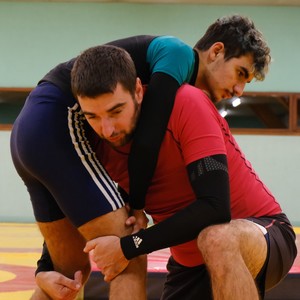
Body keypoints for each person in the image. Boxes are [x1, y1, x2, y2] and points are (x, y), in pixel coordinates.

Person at [10, 15, 274, 299]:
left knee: (65, 275)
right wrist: (136, 208)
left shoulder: (99, 124)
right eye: (241, 73)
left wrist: (42, 266)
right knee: (126, 253)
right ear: (217, 51)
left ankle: (47, 269)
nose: (239, 90)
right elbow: (149, 138)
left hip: (28, 130)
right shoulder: (178, 54)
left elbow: (72, 193)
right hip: (56, 122)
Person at [72, 44, 296, 299]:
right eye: (93, 117)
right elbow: (72, 203)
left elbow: (215, 208)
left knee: (216, 238)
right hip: (190, 263)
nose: (108, 129)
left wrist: (127, 247)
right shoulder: (92, 142)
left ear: (137, 90)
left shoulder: (187, 103)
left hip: (263, 232)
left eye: (116, 111)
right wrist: (48, 265)